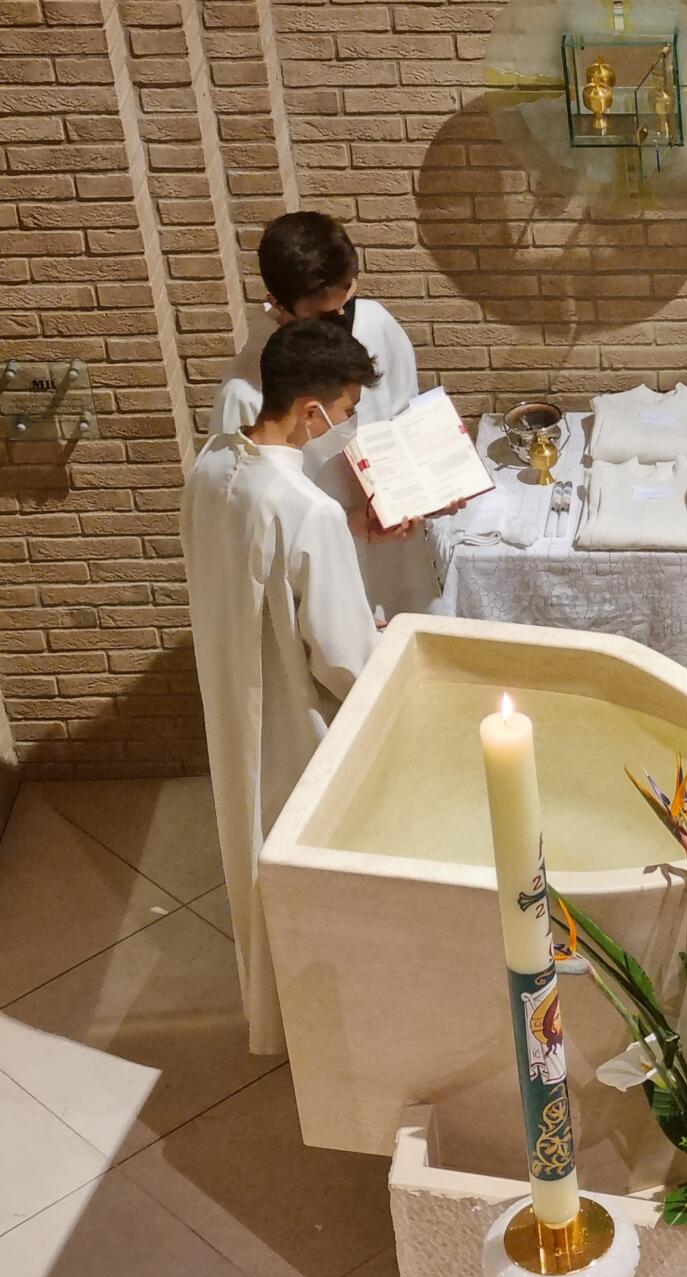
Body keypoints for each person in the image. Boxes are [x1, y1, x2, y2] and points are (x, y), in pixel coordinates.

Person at [183, 319, 383, 1054]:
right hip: (298, 724)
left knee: (252, 845)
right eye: (347, 409)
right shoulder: (308, 510)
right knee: (311, 868)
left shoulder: (211, 465)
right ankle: (325, 1024)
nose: (347, 424)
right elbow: (345, 661)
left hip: (235, 695)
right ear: (310, 411)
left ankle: (275, 1009)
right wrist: (377, 639)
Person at [214, 210, 442, 622]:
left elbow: (403, 419)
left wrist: (432, 488)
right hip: (322, 570)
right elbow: (254, 517)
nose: (343, 323)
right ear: (278, 303)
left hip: (397, 551)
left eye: (347, 303)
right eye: (323, 315)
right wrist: (353, 522)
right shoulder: (246, 392)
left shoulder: (374, 324)